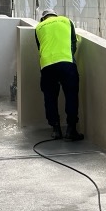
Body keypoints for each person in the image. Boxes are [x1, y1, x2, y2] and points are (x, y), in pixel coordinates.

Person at [35, 10, 84, 140]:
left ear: (43, 18)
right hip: (66, 63)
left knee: (50, 97)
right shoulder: (67, 21)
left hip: (47, 65)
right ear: (55, 15)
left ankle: (56, 129)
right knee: (71, 95)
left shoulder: (39, 27)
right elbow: (73, 43)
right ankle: (71, 130)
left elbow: (39, 47)